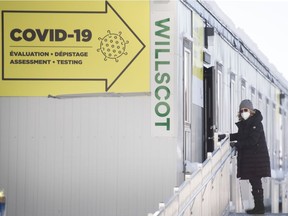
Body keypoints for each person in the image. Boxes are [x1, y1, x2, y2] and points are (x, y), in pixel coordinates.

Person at [219, 99, 271, 214]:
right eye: (241, 110)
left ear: (251, 111)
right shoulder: (247, 123)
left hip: (257, 159)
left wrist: (237, 144)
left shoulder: (256, 123)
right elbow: (240, 135)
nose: (243, 112)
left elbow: (252, 140)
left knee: (256, 182)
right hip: (252, 158)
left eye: (245, 110)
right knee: (254, 182)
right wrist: (226, 137)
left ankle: (259, 208)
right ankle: (258, 207)